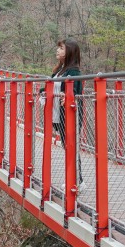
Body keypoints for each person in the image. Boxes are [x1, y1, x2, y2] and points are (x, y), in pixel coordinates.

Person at [50, 38, 84, 185]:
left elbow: (75, 91)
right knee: (68, 146)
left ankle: (77, 181)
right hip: (60, 114)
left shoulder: (73, 71)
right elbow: (54, 86)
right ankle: (75, 179)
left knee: (71, 147)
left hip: (70, 114)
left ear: (69, 52)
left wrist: (67, 96)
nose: (58, 50)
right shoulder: (60, 70)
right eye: (59, 48)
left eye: (62, 48)